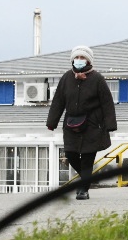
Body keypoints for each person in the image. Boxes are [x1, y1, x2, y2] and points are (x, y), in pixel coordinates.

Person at [46, 44, 117, 200]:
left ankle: (83, 190)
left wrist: (110, 124)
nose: (79, 60)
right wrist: (52, 122)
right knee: (70, 154)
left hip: (92, 125)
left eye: (82, 57)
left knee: (86, 159)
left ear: (88, 60)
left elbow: (107, 102)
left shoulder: (97, 79)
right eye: (77, 57)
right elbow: (58, 100)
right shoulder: (66, 78)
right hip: (71, 124)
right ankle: (87, 179)